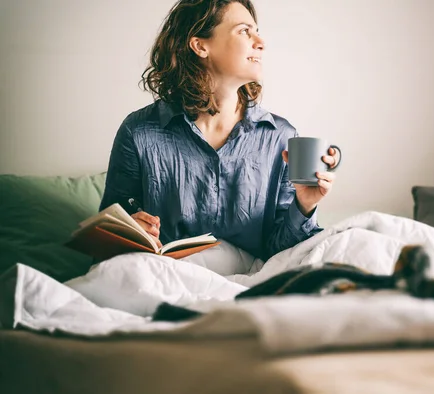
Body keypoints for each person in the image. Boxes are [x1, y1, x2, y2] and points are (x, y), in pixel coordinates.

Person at [99, 0, 340, 261]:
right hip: (167, 278)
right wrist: (131, 231)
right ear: (201, 45)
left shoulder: (280, 136)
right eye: (244, 31)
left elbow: (282, 255)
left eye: (256, 30)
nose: (261, 42)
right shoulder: (139, 132)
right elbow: (106, 244)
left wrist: (304, 205)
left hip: (247, 284)